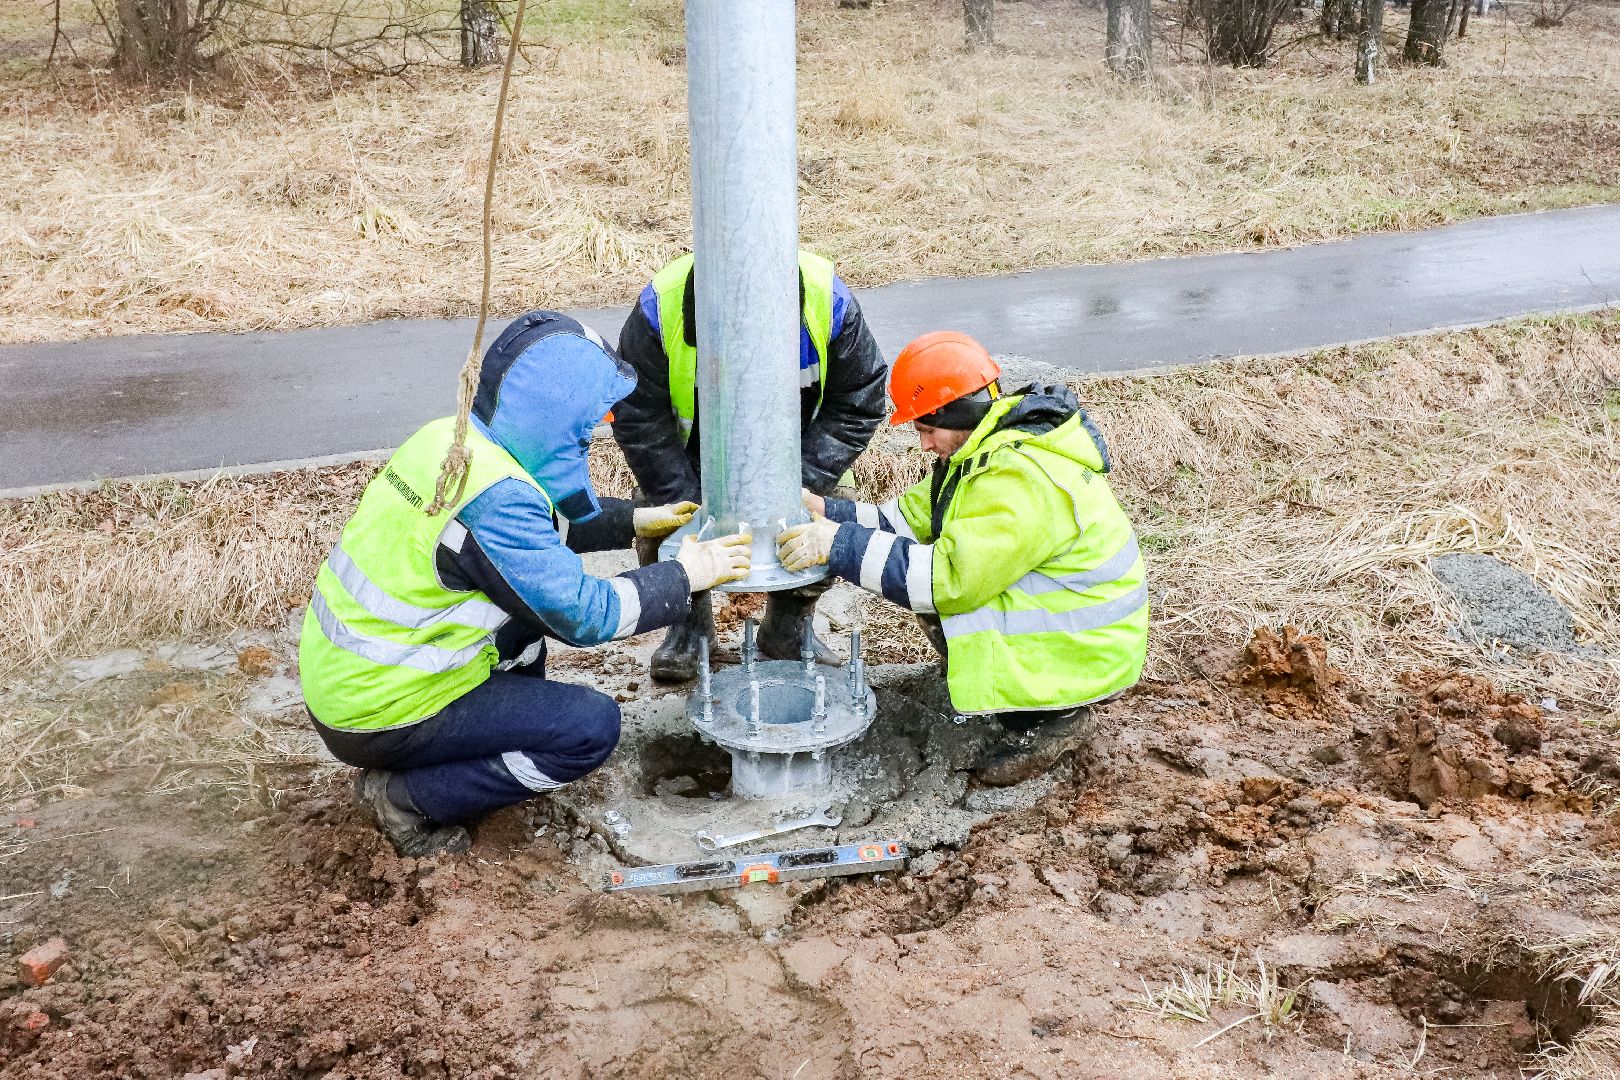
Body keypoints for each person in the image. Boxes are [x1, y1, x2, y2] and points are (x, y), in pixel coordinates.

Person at [298, 312, 752, 856]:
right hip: (382, 709)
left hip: (349, 681)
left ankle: (471, 748)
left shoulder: (450, 441)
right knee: (589, 729)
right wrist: (687, 574)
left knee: (524, 630)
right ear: (550, 414)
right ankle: (408, 795)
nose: (590, 437)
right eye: (583, 427)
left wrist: (631, 520)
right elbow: (587, 615)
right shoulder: (498, 499)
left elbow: (522, 541)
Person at [777, 331, 1148, 777]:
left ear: (960, 413)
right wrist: (825, 510)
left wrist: (836, 545)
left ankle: (1049, 721)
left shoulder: (1018, 479)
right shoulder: (985, 452)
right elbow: (906, 518)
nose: (924, 446)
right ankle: (1009, 692)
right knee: (916, 574)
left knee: (936, 594)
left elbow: (947, 579)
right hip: (1076, 636)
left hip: (1081, 653)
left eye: (928, 430)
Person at [611, 248, 887, 681]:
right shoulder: (660, 309)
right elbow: (638, 416)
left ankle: (789, 629)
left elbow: (859, 402)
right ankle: (688, 630)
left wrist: (797, 487)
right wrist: (682, 498)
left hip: (795, 452)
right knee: (660, 513)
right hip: (694, 452)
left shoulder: (826, 302)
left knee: (825, 509)